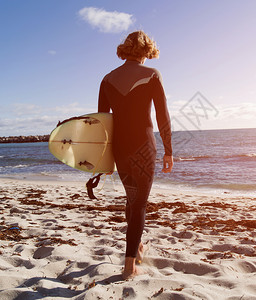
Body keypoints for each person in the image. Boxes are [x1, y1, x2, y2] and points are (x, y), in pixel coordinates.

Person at [97, 30, 173, 280]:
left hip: (120, 149)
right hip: (143, 146)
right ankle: (130, 266)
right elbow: (162, 116)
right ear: (147, 50)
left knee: (132, 198)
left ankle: (137, 246)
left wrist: (105, 158)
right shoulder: (152, 74)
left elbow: (103, 123)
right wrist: (169, 151)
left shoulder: (107, 79)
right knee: (139, 203)